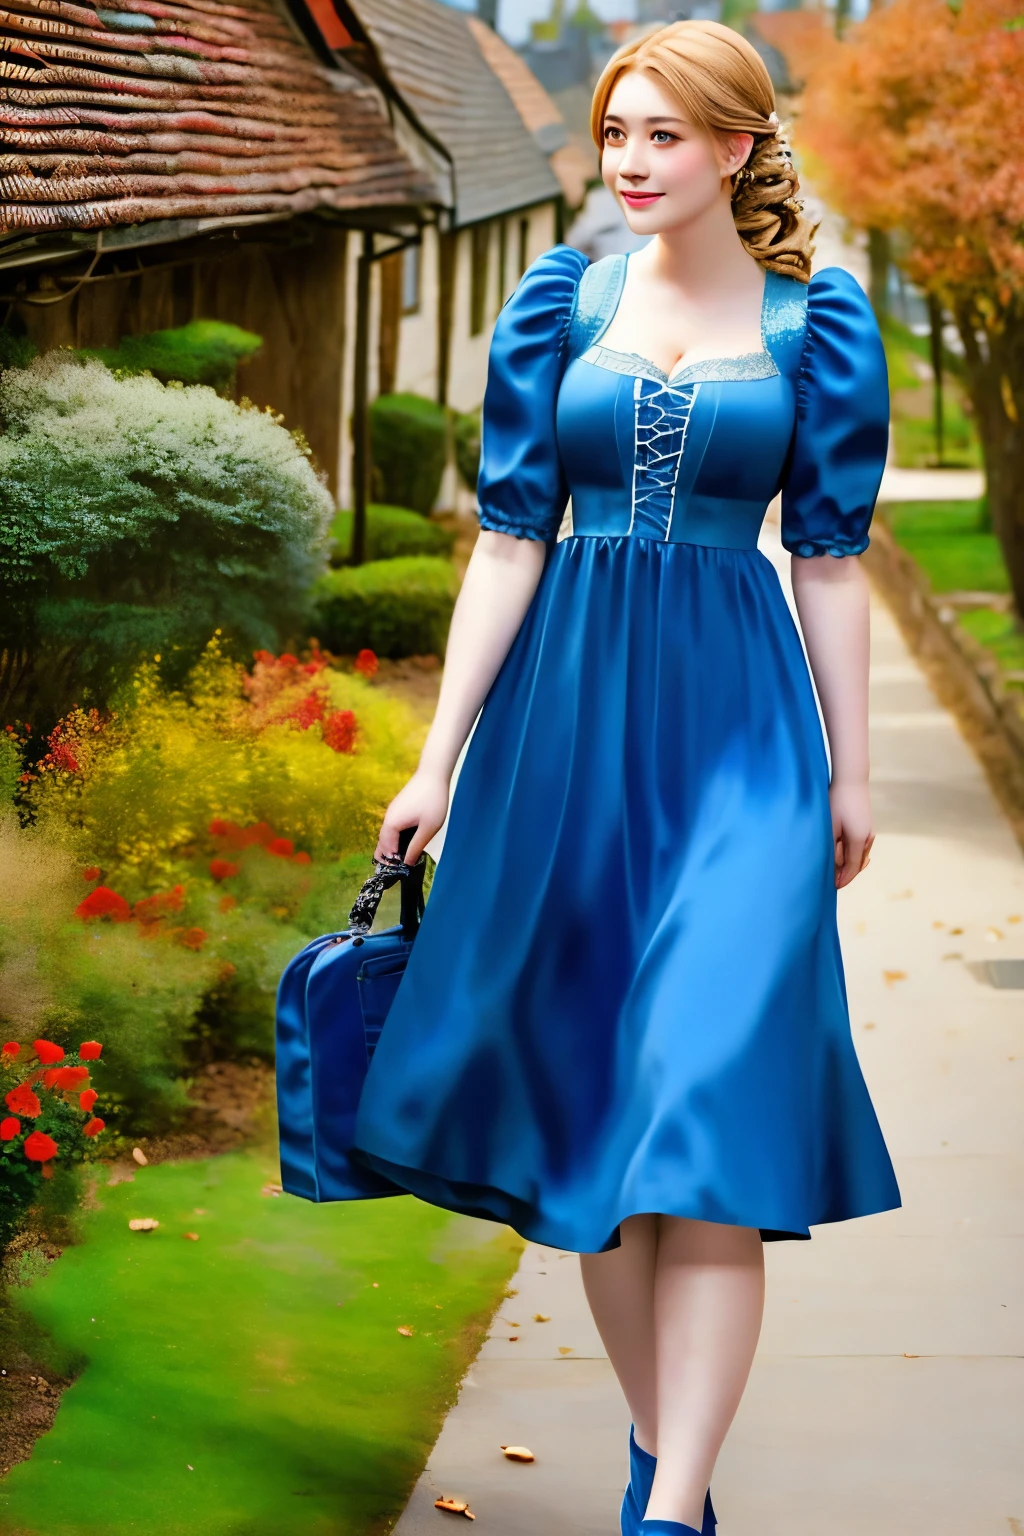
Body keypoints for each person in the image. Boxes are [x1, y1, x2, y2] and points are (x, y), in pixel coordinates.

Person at [344, 20, 901, 1534]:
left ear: (735, 148)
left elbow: (834, 564)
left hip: (743, 747)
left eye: (663, 135)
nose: (631, 163)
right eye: (616, 135)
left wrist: (853, 774)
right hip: (563, 743)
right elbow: (511, 541)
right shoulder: (559, 301)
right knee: (603, 1125)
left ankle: (666, 1515)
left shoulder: (817, 326)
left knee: (707, 1112)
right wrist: (435, 759)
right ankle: (671, 1461)